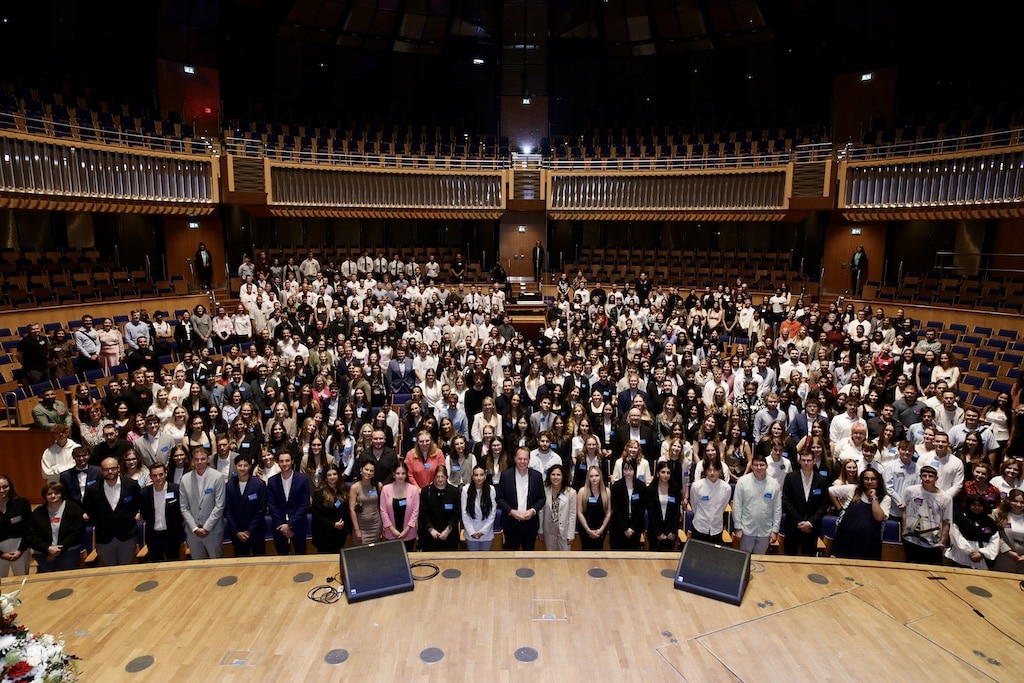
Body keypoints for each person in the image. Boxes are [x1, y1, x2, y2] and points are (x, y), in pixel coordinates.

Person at [82, 457, 142, 566]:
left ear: (118, 468)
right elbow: (88, 509)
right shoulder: (93, 490)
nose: (110, 472)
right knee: (109, 572)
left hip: (127, 537)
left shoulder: (131, 485)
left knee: (126, 570)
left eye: (113, 468)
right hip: (104, 539)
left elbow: (139, 503)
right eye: (106, 469)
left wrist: (138, 513)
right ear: (101, 471)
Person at [829, 469, 891, 560]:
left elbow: (878, 517)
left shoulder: (885, 498)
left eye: (873, 479)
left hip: (869, 544)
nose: (869, 482)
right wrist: (840, 509)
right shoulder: (853, 489)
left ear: (879, 481)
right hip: (845, 539)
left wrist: (874, 498)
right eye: (866, 479)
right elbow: (831, 490)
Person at [24, 482, 85, 573]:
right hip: (44, 554)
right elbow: (30, 535)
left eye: (57, 493)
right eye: (49, 494)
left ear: (62, 494)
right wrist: (48, 548)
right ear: (44, 496)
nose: (53, 496)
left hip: (68, 552)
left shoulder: (73, 510)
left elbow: (77, 532)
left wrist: (58, 550)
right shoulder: (38, 513)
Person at [179, 447, 227, 560]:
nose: (199, 462)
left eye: (202, 459)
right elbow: (184, 507)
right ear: (192, 461)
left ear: (208, 459)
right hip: (193, 532)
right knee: (197, 567)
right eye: (196, 459)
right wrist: (195, 528)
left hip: (213, 531)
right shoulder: (185, 479)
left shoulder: (217, 477)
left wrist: (206, 528)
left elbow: (219, 505)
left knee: (217, 565)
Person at [496, 446, 545, 550]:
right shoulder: (505, 475)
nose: (522, 462)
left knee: (529, 555)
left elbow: (542, 498)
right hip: (511, 523)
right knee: (511, 556)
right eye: (519, 459)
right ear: (515, 459)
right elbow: (499, 498)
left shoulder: (537, 476)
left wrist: (533, 510)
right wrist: (511, 511)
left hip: (530, 524)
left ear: (529, 460)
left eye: (525, 459)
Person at [902, 465, 952, 565]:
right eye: (924, 475)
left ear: (936, 478)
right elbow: (904, 512)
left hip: (933, 543)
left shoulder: (945, 497)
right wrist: (904, 532)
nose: (927, 478)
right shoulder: (910, 491)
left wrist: (942, 542)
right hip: (911, 539)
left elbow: (947, 522)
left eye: (930, 476)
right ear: (920, 476)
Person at [732, 453, 782, 554]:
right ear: (751, 466)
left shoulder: (774, 485)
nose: (759, 468)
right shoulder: (742, 482)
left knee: (760, 561)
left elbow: (777, 509)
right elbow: (737, 506)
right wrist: (738, 528)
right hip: (746, 530)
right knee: (744, 560)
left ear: (766, 466)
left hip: (765, 530)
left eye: (762, 465)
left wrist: (775, 530)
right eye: (756, 465)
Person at [782, 451, 830, 556]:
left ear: (814, 461)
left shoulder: (821, 480)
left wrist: (810, 523)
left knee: (809, 558)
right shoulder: (790, 478)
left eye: (809, 460)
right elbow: (786, 501)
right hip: (793, 526)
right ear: (799, 461)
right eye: (803, 460)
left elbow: (823, 505)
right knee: (789, 557)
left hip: (812, 528)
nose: (806, 463)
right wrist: (800, 522)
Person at [138, 461, 184, 562]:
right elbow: (144, 513)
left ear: (166, 474)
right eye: (155, 476)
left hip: (172, 536)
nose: (158, 478)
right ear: (150, 476)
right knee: (156, 566)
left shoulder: (176, 489)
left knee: (173, 565)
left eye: (161, 474)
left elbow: (181, 512)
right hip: (153, 537)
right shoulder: (144, 493)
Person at [267, 451, 311, 555]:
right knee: (282, 558)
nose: (284, 463)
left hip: (298, 525)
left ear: (292, 461)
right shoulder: (272, 481)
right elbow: (271, 505)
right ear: (278, 463)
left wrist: (289, 525)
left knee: (300, 556)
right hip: (279, 526)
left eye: (287, 461)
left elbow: (304, 504)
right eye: (281, 461)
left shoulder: (303, 479)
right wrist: (283, 526)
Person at [225, 454, 268, 557]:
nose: (242, 468)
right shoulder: (229, 486)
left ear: (249, 466)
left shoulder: (259, 484)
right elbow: (227, 511)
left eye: (245, 465)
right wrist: (237, 532)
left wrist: (249, 531)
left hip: (256, 531)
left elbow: (261, 509)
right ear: (235, 466)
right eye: (240, 465)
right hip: (237, 533)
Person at [944, 494, 999, 569]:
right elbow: (955, 536)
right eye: (974, 505)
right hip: (961, 556)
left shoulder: (990, 521)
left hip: (982, 559)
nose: (977, 507)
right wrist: (970, 552)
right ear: (969, 505)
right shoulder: (959, 517)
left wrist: (982, 554)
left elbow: (995, 540)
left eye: (980, 505)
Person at [688, 457, 731, 544]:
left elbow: (723, 507)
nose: (712, 473)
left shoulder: (726, 488)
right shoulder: (696, 486)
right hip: (699, 527)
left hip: (717, 529)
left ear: (719, 470)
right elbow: (694, 505)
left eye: (715, 470)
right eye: (709, 470)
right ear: (705, 471)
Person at [417, 464, 460, 551]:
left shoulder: (454, 492)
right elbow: (423, 513)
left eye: (442, 477)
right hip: (429, 536)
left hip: (449, 535)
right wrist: (431, 529)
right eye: (438, 477)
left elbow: (457, 513)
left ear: (446, 477)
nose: (440, 479)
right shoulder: (426, 492)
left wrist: (448, 529)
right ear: (434, 477)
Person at [380, 460, 420, 551]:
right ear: (393, 474)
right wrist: (392, 529)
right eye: (398, 473)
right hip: (390, 533)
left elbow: (415, 512)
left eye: (403, 473)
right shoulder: (385, 489)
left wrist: (406, 530)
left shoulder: (414, 490)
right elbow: (383, 511)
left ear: (406, 474)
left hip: (409, 533)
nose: (400, 476)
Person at [310, 464, 351, 554]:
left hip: (340, 535)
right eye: (329, 475)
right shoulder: (319, 494)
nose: (332, 477)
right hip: (324, 536)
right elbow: (317, 516)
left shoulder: (344, 490)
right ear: (325, 477)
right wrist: (333, 525)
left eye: (334, 474)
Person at [609, 458, 647, 549]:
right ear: (622, 470)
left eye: (631, 469)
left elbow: (641, 509)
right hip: (619, 528)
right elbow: (616, 509)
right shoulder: (616, 486)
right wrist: (625, 528)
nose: (628, 472)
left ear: (635, 470)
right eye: (626, 469)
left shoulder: (641, 486)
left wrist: (632, 528)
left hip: (635, 529)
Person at [646, 461, 683, 551]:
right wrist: (657, 532)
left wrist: (673, 531)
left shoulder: (675, 489)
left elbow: (676, 512)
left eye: (668, 473)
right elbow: (651, 513)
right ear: (658, 473)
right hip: (655, 531)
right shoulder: (651, 490)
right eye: (663, 472)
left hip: (670, 532)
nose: (665, 475)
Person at [0, 475, 31, 576]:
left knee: (22, 579)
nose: (2, 490)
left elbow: (29, 528)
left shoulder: (21, 503)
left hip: (20, 546)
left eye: (5, 487)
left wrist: (21, 550)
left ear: (10, 487)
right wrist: (1, 554)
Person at [541, 464, 577, 551]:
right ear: (549, 476)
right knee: (551, 558)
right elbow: (541, 512)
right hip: (549, 530)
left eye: (558, 475)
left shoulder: (571, 492)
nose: (555, 477)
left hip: (564, 531)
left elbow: (572, 514)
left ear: (563, 476)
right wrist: (540, 530)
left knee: (565, 559)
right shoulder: (545, 490)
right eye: (553, 474)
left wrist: (571, 534)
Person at [349, 461, 383, 545]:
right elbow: (351, 510)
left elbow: (381, 506)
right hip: (361, 527)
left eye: (371, 471)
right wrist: (357, 529)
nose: (368, 472)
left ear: (374, 473)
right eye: (366, 469)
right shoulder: (355, 487)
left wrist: (383, 526)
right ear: (361, 470)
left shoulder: (378, 486)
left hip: (376, 526)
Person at [993, 489, 1024, 573]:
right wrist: (1008, 551)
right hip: (1004, 555)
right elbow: (994, 536)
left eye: (1022, 502)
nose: (1018, 505)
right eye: (1015, 501)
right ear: (1009, 500)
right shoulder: (997, 514)